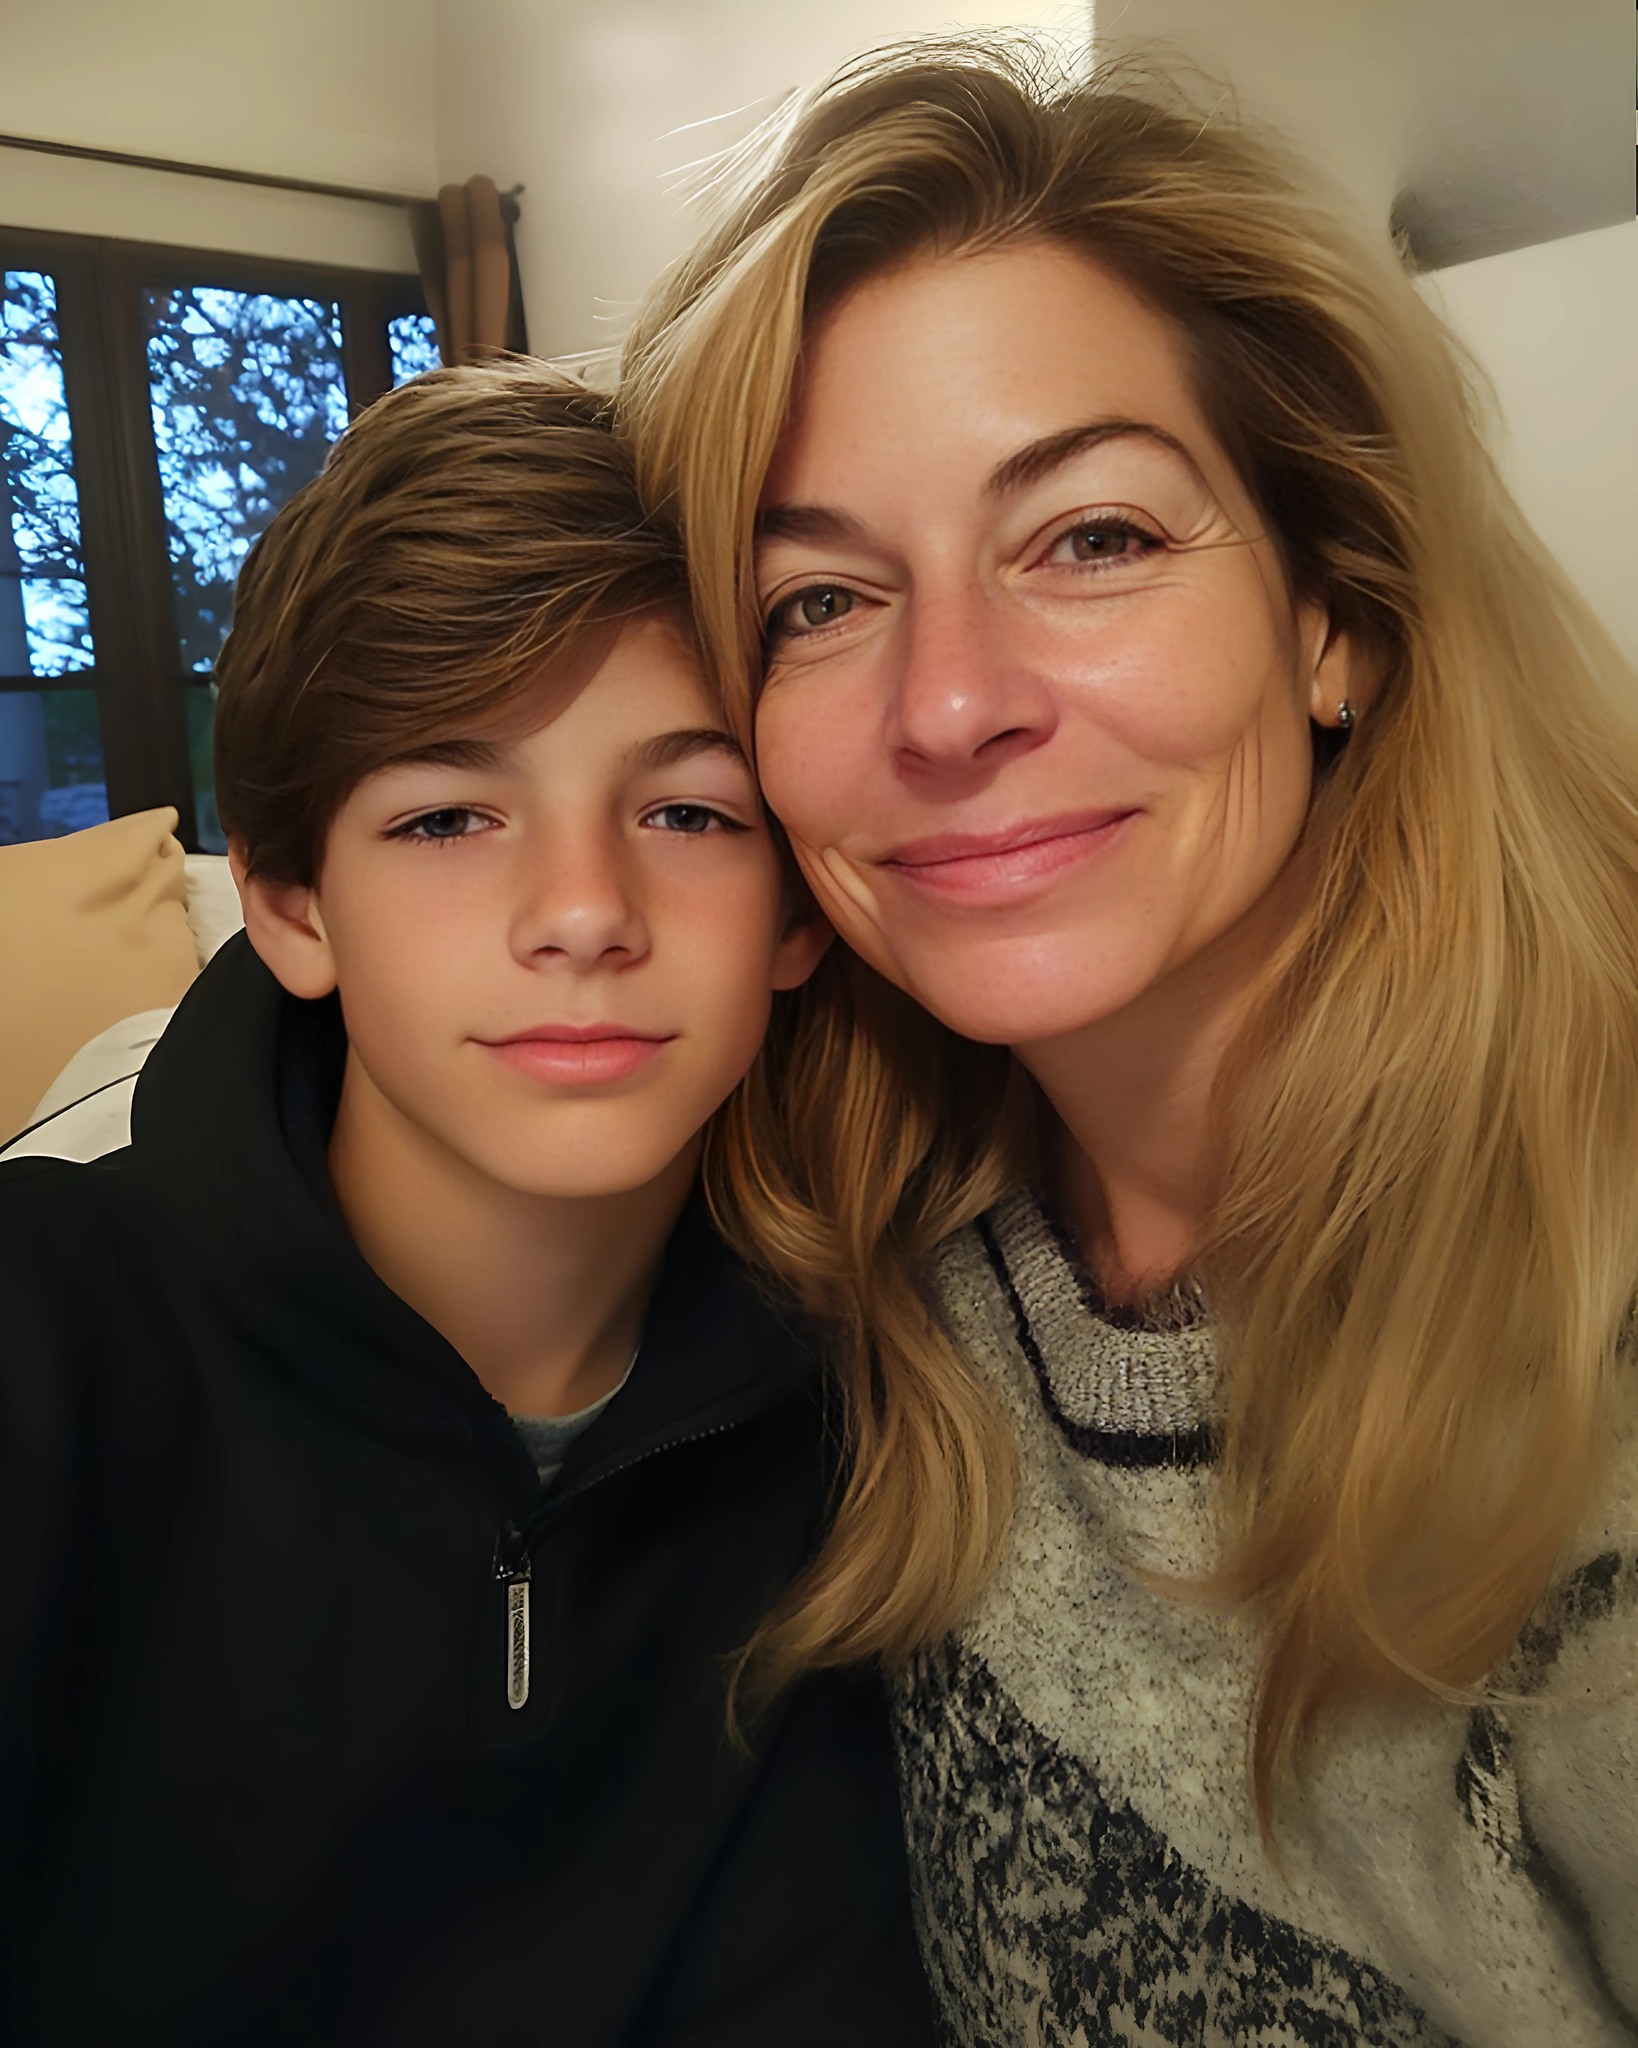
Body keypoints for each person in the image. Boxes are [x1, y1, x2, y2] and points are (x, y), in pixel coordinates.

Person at [619, 39, 1638, 2047]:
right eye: (819, 600)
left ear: (1337, 614)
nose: (948, 704)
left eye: (1090, 539)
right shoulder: (865, 1240)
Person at [0, 361, 938, 2047]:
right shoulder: (47, 1349)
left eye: (688, 811)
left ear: (800, 910)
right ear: (290, 907)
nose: (581, 911)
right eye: (445, 817)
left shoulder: (896, 1384)